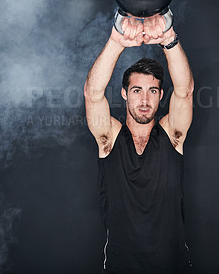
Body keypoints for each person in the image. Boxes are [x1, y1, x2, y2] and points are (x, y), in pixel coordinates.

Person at [84, 14, 194, 274]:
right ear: (124, 93)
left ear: (160, 96)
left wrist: (169, 39)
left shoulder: (172, 135)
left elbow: (185, 91)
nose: (144, 99)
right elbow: (92, 93)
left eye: (152, 91)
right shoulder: (109, 139)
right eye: (136, 90)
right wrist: (116, 41)